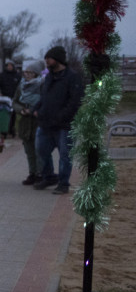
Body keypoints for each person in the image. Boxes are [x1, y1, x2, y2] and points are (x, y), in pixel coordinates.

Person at [33, 45, 85, 195]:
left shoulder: (72, 77)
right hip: (46, 123)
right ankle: (48, 176)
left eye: (49, 58)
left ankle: (63, 183)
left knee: (65, 154)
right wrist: (37, 109)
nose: (46, 61)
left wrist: (62, 116)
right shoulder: (49, 77)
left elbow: (75, 101)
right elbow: (44, 97)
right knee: (41, 150)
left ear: (58, 59)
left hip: (64, 124)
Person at [14, 60, 45, 185]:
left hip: (38, 121)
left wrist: (34, 110)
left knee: (39, 150)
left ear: (36, 74)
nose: (26, 75)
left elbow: (45, 101)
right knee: (29, 150)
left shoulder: (42, 85)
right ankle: (32, 173)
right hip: (25, 122)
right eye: (25, 72)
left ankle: (41, 173)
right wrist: (21, 110)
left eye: (30, 72)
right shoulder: (21, 86)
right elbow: (15, 101)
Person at [0, 59, 22, 136]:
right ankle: (4, 129)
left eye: (11, 65)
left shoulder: (17, 76)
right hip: (4, 99)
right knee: (4, 113)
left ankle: (11, 128)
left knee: (13, 114)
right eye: (8, 65)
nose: (9, 67)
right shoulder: (1, 75)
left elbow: (20, 86)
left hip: (14, 98)